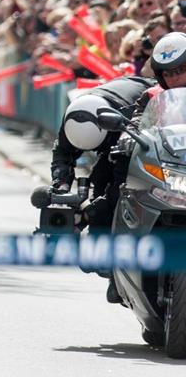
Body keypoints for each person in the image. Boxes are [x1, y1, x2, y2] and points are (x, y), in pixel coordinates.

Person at [50, 76, 155, 302]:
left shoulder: (129, 119)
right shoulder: (74, 114)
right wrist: (61, 188)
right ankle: (108, 265)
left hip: (139, 132)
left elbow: (122, 181)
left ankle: (117, 263)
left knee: (111, 192)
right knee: (98, 182)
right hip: (110, 129)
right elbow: (61, 156)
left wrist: (96, 210)